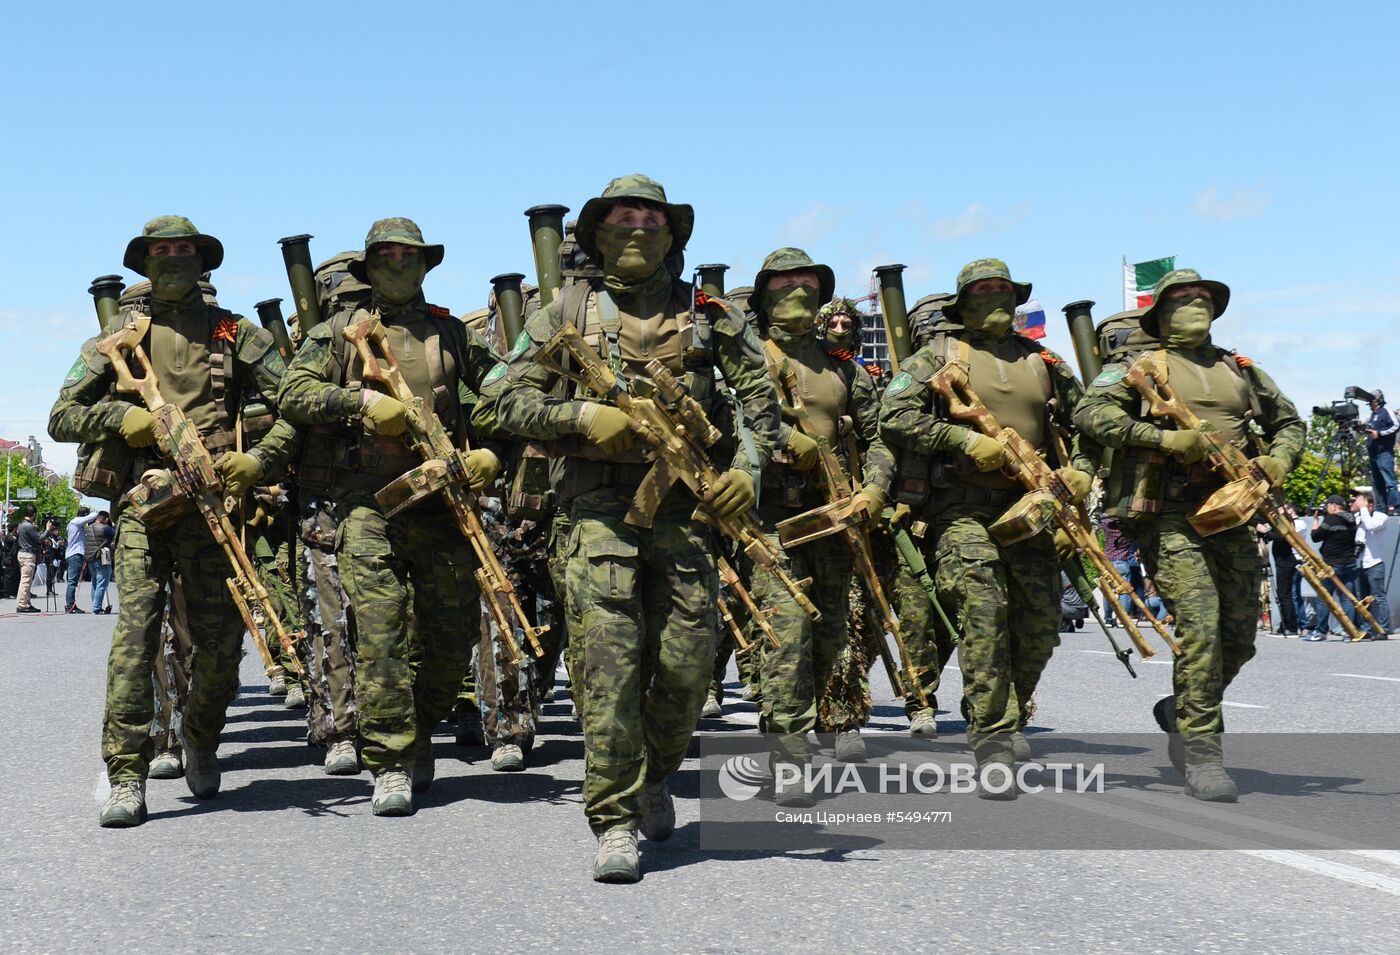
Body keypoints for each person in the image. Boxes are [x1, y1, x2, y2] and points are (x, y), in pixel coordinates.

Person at [487, 175, 781, 882]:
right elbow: (499, 399)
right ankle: (614, 817)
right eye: (622, 220)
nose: (637, 231)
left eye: (652, 221)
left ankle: (654, 771)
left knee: (686, 668)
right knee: (608, 667)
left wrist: (748, 466)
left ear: (673, 237)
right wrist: (581, 418)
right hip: (595, 513)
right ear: (595, 234)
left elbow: (761, 402)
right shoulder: (562, 308)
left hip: (685, 513)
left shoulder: (708, 313)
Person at [50, 215, 298, 828]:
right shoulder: (117, 338)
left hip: (215, 504)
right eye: (161, 251)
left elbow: (296, 405)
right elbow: (61, 416)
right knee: (135, 640)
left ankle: (200, 736)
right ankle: (127, 775)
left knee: (220, 646)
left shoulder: (235, 332)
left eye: (183, 250)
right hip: (144, 507)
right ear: (145, 262)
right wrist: (120, 420)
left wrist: (257, 459)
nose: (173, 259)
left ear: (202, 261)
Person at [279, 217, 503, 817]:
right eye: (386, 258)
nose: (398, 267)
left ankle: (421, 727)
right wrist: (360, 403)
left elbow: (507, 395)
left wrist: (492, 452)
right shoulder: (335, 334)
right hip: (367, 505)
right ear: (369, 268)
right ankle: (393, 760)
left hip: (442, 503)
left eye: (410, 257)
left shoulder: (452, 333)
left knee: (452, 637)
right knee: (380, 634)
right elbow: (293, 396)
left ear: (426, 265)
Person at [1075, 267, 1304, 802]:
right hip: (1167, 514)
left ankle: (1180, 712)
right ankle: (1203, 752)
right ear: (1162, 312)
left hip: (1232, 510)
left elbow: (1291, 423)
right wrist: (1164, 438)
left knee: (1239, 638)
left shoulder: (1239, 369)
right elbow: (1091, 414)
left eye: (1203, 297)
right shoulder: (1134, 365)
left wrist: (1277, 459)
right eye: (1182, 297)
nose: (1195, 303)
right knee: (1199, 627)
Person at [881, 258, 1098, 798]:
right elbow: (895, 416)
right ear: (964, 302)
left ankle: (1013, 708)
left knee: (1042, 623)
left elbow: (1093, 420)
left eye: (1005, 290)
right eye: (984, 291)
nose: (997, 298)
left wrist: (1084, 469)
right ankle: (992, 738)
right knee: (983, 613)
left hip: (1032, 508)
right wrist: (964, 442)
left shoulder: (1043, 360)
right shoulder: (935, 356)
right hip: (961, 512)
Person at [747, 254, 891, 784]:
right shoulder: (746, 359)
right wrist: (786, 442)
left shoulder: (843, 367)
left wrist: (875, 488)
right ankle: (787, 753)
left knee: (833, 632)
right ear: (764, 295)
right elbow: (728, 421)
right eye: (785, 283)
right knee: (787, 631)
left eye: (807, 282)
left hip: (834, 518)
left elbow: (879, 437)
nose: (797, 290)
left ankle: (835, 719)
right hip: (771, 519)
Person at [1306, 494, 1361, 641]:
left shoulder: (1331, 519)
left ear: (1334, 506)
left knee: (1324, 598)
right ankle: (1348, 632)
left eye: (1328, 505)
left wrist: (1316, 521)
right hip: (1349, 563)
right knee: (1347, 598)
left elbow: (1315, 537)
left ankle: (1321, 631)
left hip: (1332, 565)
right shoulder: (1351, 519)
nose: (1326, 508)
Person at [1257, 503, 1301, 635]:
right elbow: (1274, 537)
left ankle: (1291, 627)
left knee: (1284, 596)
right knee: (1283, 596)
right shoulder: (1282, 522)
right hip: (1282, 561)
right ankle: (1284, 625)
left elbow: (1282, 538)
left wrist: (1265, 531)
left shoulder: (1286, 522)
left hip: (1286, 562)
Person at [1353, 490, 1392, 639]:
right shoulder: (1358, 518)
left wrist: (1363, 509)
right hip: (1360, 563)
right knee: (1362, 598)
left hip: (1375, 563)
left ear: (1370, 504)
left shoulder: (1381, 517)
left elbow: (1371, 526)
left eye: (1360, 501)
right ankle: (1366, 628)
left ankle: (1383, 629)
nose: (1357, 503)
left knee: (1378, 597)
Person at [1365, 391, 1398, 511]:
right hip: (1373, 453)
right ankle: (1380, 507)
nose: (1369, 403)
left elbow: (1396, 425)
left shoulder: (1386, 410)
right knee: (1377, 483)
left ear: (1377, 400)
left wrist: (1380, 433)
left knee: (1389, 481)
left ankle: (1396, 507)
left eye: (1371, 400)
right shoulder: (1373, 414)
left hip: (1384, 452)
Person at [64, 506, 99, 613]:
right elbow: (93, 515)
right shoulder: (76, 521)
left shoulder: (75, 524)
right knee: (72, 581)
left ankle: (71, 604)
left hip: (73, 554)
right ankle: (70, 605)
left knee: (73, 581)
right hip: (75, 554)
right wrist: (94, 513)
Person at [86, 511, 115, 613]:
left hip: (90, 558)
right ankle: (96, 607)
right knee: (102, 583)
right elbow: (114, 535)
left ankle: (95, 605)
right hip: (102, 557)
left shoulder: (89, 527)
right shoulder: (106, 528)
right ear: (106, 519)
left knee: (94, 583)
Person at [14, 505, 41, 613]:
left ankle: (27, 603)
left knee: (27, 580)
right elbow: (39, 539)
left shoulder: (22, 525)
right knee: (25, 580)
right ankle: (21, 604)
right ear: (34, 514)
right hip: (27, 554)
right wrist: (48, 530)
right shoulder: (28, 526)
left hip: (22, 553)